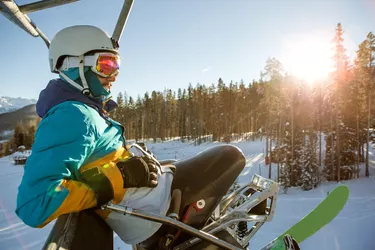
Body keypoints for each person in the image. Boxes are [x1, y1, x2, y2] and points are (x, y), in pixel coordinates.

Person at [15, 25, 175, 245]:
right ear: (74, 64)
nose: (115, 75)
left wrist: (127, 156)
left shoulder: (85, 109)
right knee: (229, 155)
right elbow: (34, 203)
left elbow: (93, 156)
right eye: (106, 64)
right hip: (155, 211)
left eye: (117, 65)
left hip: (154, 199)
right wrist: (118, 177)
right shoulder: (73, 115)